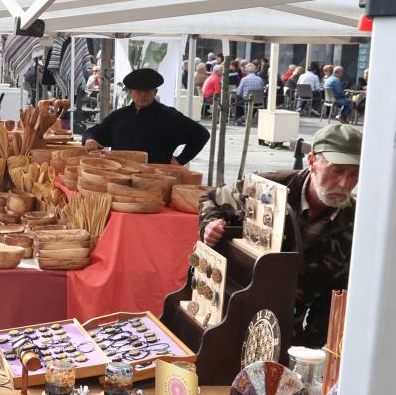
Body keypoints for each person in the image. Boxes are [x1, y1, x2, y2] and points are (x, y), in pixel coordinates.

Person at [198, 122, 360, 347]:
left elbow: (337, 294)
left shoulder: (356, 221)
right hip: (233, 313)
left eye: (355, 174)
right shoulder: (269, 186)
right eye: (337, 171)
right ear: (312, 161)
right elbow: (210, 199)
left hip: (287, 329)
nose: (345, 184)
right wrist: (210, 224)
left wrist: (308, 348)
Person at [83, 67, 210, 165]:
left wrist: (180, 160)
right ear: (131, 92)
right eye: (139, 91)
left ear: (155, 92)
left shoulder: (170, 117)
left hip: (154, 179)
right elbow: (94, 132)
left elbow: (201, 134)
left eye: (147, 91)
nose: (143, 95)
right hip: (119, 176)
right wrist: (90, 140)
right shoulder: (119, 116)